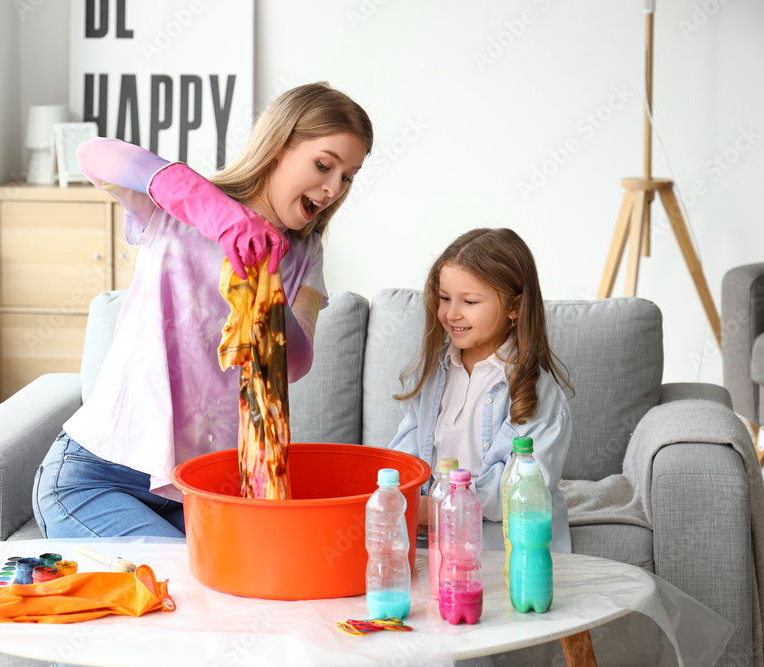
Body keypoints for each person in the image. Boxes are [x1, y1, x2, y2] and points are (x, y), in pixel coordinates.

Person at [33, 82, 373, 539]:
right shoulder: (177, 211)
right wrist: (218, 214)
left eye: (348, 177)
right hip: (98, 477)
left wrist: (264, 287)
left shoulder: (305, 253)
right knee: (185, 601)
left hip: (199, 487)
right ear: (278, 147)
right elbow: (92, 154)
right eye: (324, 165)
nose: (334, 188)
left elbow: (296, 363)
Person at [388, 228, 573, 552]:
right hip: (436, 545)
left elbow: (520, 490)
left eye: (469, 301)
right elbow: (408, 457)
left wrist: (436, 508)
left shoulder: (537, 393)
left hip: (506, 553)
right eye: (445, 298)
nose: (451, 313)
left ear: (514, 307)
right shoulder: (432, 374)